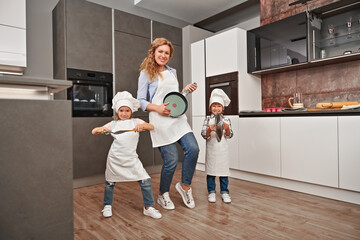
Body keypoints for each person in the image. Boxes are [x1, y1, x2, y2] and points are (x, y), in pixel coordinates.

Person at [137, 38, 199, 209]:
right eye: (160, 52)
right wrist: (157, 108)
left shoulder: (173, 71)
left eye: (166, 53)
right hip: (160, 121)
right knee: (171, 160)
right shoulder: (146, 73)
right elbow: (141, 101)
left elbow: (173, 97)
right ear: (154, 52)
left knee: (193, 149)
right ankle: (163, 195)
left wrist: (185, 92)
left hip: (178, 118)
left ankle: (185, 186)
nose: (163, 55)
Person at [91, 91, 162, 219]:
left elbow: (151, 126)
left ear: (131, 112)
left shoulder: (136, 121)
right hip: (115, 158)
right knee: (110, 183)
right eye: (121, 110)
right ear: (117, 111)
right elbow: (94, 131)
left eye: (127, 111)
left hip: (131, 158)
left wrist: (143, 126)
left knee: (145, 180)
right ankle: (107, 205)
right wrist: (100, 130)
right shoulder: (113, 124)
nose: (124, 113)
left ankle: (148, 207)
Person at [201, 88, 233, 203]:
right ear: (210, 108)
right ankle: (212, 192)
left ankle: (224, 192)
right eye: (214, 106)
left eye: (219, 106)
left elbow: (229, 135)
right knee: (211, 172)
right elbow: (204, 135)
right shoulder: (207, 119)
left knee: (223, 173)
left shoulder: (227, 120)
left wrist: (227, 128)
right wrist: (209, 130)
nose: (216, 108)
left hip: (223, 151)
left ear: (222, 108)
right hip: (212, 150)